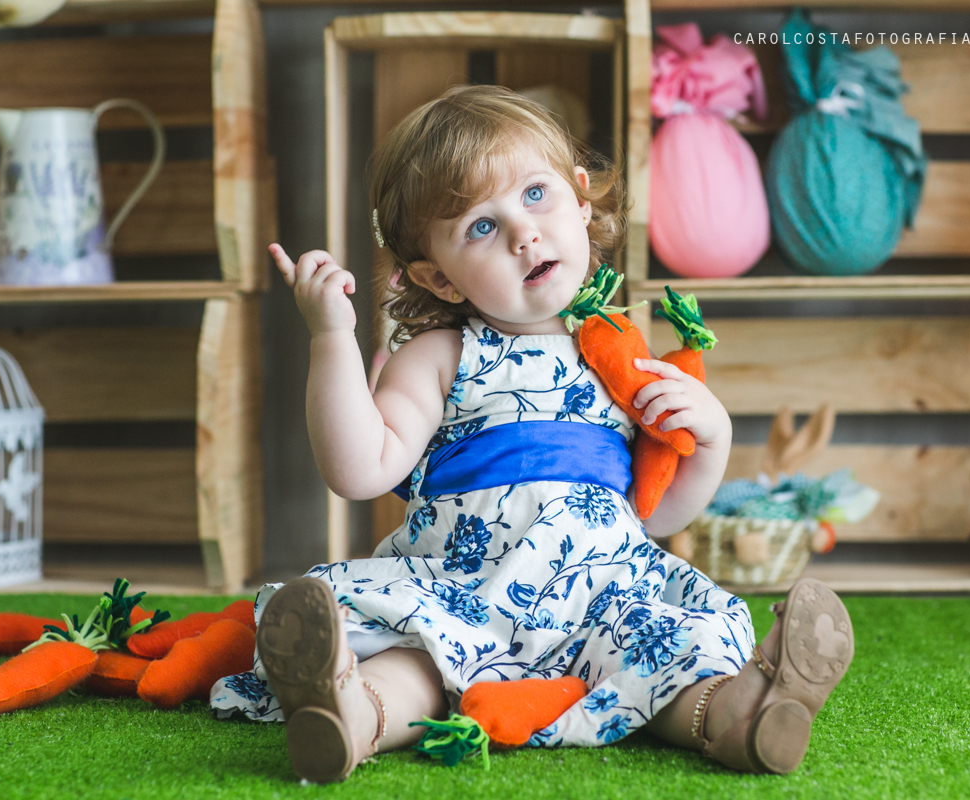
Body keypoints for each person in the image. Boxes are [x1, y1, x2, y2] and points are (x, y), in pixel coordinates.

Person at [230, 84, 853, 783]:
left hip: (604, 598)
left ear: (581, 202)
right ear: (440, 277)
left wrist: (713, 441)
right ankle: (351, 713)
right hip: (466, 596)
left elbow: (655, 514)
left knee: (669, 650)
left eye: (534, 195)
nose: (523, 233)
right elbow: (359, 470)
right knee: (418, 662)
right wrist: (332, 336)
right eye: (481, 228)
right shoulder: (439, 357)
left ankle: (739, 714)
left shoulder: (620, 355)